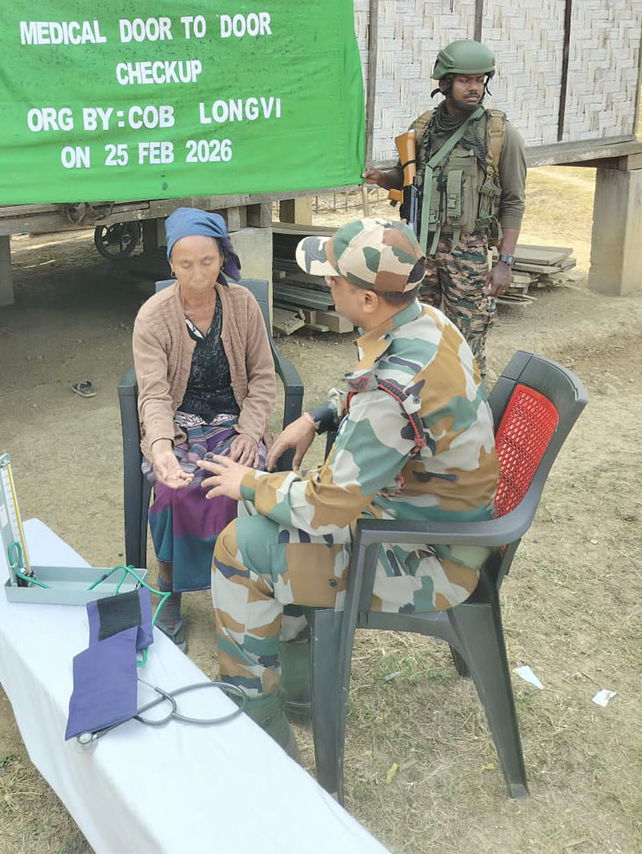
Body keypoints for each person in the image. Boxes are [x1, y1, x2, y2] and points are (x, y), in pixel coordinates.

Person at [196, 218, 498, 755]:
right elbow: (373, 385)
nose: (325, 285)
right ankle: (301, 690)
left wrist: (250, 482)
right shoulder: (425, 322)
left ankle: (260, 727)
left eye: (333, 280)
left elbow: (326, 508)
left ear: (364, 300)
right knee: (270, 517)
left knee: (240, 549)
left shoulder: (393, 390)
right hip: (429, 522)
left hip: (423, 558)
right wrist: (319, 414)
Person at [131, 207, 276, 650]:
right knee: (176, 485)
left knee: (246, 480)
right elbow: (154, 394)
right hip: (179, 425)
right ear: (171, 265)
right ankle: (170, 586)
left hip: (235, 421)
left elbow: (263, 377)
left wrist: (250, 433)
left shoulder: (242, 305)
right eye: (186, 264)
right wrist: (160, 447)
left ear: (222, 258)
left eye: (208, 262)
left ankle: (246, 585)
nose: (197, 274)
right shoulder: (153, 318)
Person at [362, 39, 526, 383]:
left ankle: (469, 406)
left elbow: (513, 201)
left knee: (468, 338)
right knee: (418, 330)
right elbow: (407, 180)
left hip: (468, 251)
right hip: (422, 248)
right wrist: (381, 178)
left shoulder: (500, 134)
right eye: (465, 80)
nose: (474, 88)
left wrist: (504, 262)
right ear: (444, 83)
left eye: (480, 81)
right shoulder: (423, 129)